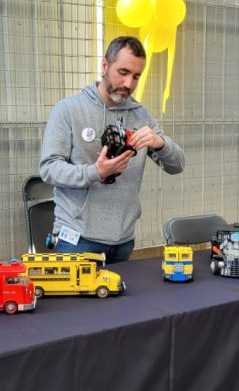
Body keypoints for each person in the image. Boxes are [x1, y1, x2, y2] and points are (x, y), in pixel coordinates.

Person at [39, 36, 185, 263]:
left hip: (124, 241)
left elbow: (177, 165)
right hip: (77, 239)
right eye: (123, 72)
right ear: (104, 65)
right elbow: (49, 169)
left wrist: (160, 143)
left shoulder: (141, 115)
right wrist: (96, 172)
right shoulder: (68, 110)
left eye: (136, 76)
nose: (129, 83)